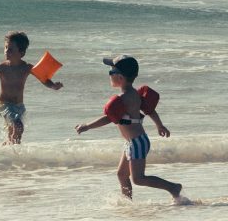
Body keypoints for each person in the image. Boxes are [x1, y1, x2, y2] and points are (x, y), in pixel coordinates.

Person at [75, 55, 187, 205]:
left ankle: (173, 187)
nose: (109, 75)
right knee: (122, 174)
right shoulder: (134, 94)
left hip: (137, 142)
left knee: (138, 179)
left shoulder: (125, 97)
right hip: (132, 142)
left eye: (111, 72)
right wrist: (159, 125)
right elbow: (150, 110)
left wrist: (87, 126)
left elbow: (109, 118)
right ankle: (128, 203)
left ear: (120, 77)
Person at [0, 31, 63, 144]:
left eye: (11, 49)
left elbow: (44, 80)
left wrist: (53, 86)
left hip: (19, 106)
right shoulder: (1, 68)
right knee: (19, 126)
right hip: (4, 105)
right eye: (6, 47)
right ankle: (12, 154)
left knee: (15, 136)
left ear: (21, 53)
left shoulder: (27, 68)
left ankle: (7, 155)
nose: (7, 51)